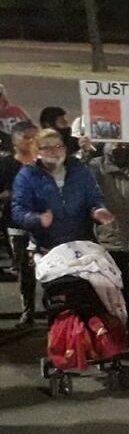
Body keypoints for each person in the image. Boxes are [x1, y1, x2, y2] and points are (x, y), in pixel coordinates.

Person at [11, 129, 113, 253]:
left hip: (82, 244)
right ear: (37, 151)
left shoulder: (80, 170)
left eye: (58, 146)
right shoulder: (27, 175)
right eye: (47, 148)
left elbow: (94, 198)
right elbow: (18, 211)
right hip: (46, 248)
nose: (54, 151)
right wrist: (38, 219)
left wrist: (97, 210)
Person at [88, 143, 129, 334]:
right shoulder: (95, 166)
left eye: (126, 142)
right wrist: (84, 151)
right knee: (119, 285)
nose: (121, 146)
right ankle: (126, 323)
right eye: (116, 142)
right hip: (112, 237)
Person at [1, 122, 38, 325]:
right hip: (17, 225)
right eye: (27, 137)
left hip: (45, 225)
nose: (32, 141)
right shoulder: (6, 164)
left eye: (35, 137)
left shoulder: (45, 162)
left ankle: (56, 310)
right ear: (15, 140)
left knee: (52, 267)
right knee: (25, 270)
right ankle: (28, 311)